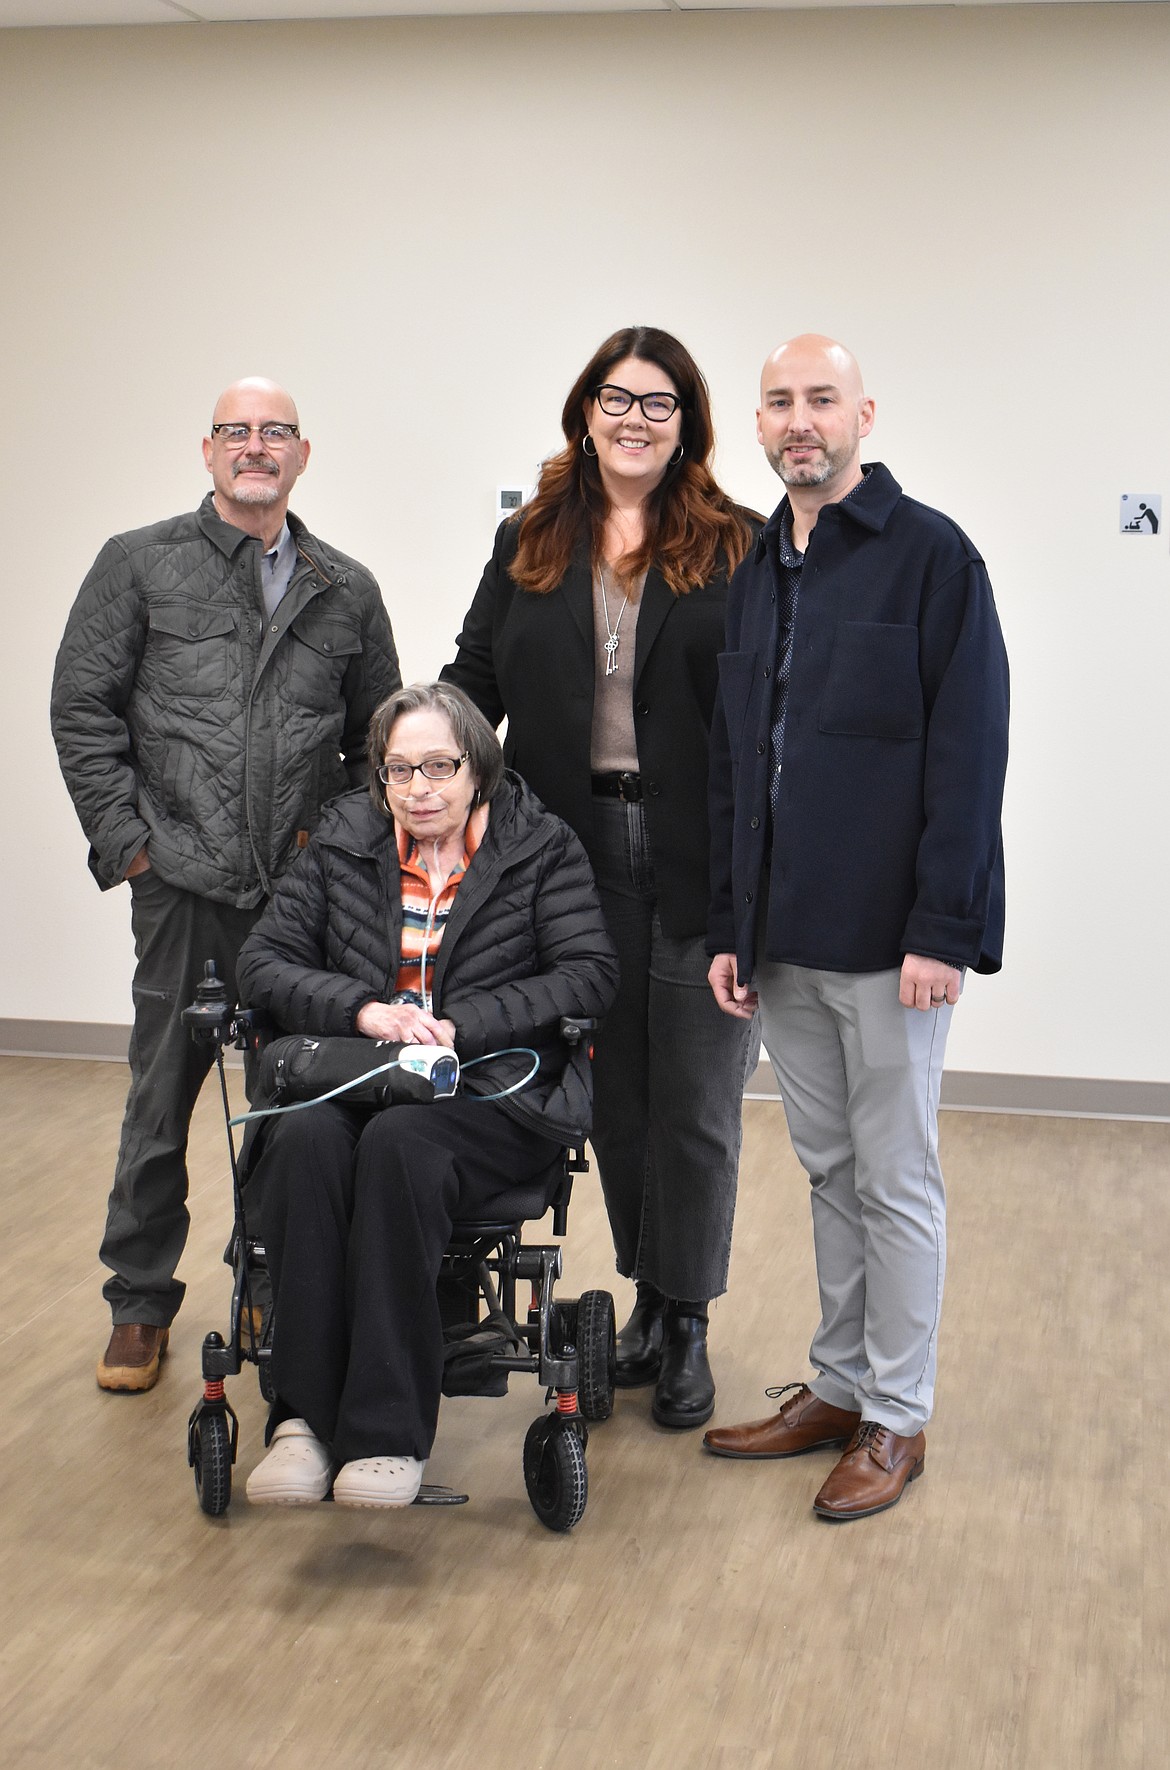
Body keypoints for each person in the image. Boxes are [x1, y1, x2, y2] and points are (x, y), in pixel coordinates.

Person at [702, 335, 1009, 1521]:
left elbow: (968, 754)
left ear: (863, 414)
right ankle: (835, 1386)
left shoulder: (934, 558)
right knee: (830, 1172)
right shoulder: (755, 570)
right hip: (783, 939)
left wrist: (944, 927)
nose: (798, 421)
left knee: (896, 1177)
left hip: (892, 946)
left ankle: (897, 1416)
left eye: (820, 399)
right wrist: (735, 923)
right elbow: (740, 759)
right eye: (778, 402)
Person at [50, 378, 401, 1393]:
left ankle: (270, 1283)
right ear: (209, 453)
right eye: (238, 431)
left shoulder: (346, 587)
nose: (257, 447)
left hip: (298, 905)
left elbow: (377, 747)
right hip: (183, 889)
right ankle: (138, 1302)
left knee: (293, 1097)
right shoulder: (139, 565)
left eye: (275, 432)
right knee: (162, 1093)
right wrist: (131, 847)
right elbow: (84, 710)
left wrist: (333, 862)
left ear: (302, 454)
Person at [442, 327, 760, 1430]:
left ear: (688, 426)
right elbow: (475, 676)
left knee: (699, 1105)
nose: (635, 419)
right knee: (612, 1102)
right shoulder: (527, 539)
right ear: (585, 412)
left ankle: (692, 1322)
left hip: (703, 862)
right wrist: (421, 764)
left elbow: (772, 714)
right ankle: (646, 1297)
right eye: (617, 399)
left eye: (659, 403)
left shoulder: (738, 545)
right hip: (568, 861)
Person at [237, 682, 618, 1507]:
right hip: (360, 1075)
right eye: (399, 770)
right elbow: (262, 962)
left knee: (399, 1146)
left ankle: (382, 1435)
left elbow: (589, 973)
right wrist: (364, 1013)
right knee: (303, 1144)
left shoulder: (538, 849)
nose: (419, 789)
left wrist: (459, 1024)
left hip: (486, 1096)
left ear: (477, 767)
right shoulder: (341, 842)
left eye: (439, 766)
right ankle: (302, 1422)